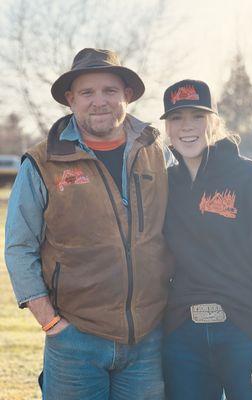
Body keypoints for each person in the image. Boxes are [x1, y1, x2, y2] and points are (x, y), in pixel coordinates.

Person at [5, 48, 174, 400]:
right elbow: (19, 247)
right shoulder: (42, 163)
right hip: (75, 340)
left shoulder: (157, 151)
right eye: (87, 92)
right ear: (70, 100)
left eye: (110, 91)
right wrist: (51, 322)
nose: (100, 101)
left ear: (126, 95)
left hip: (148, 339)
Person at [161, 79, 252, 400]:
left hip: (244, 332)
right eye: (176, 118)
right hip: (182, 337)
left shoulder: (251, 178)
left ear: (214, 122)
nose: (186, 127)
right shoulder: (164, 184)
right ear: (167, 128)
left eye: (197, 116)